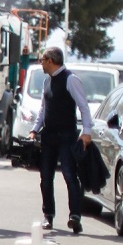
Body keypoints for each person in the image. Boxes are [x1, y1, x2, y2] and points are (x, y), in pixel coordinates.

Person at [27, 46, 94, 234]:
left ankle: (75, 216)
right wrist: (34, 130)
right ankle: (48, 215)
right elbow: (43, 108)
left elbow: (84, 106)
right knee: (45, 177)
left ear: (50, 61)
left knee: (70, 175)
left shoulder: (70, 79)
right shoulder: (47, 81)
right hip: (49, 136)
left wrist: (86, 131)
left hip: (67, 135)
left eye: (42, 60)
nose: (40, 63)